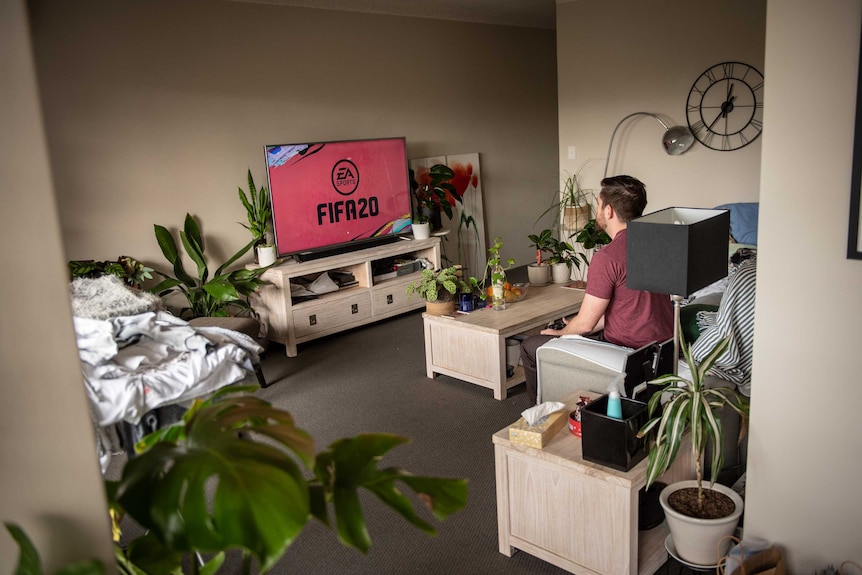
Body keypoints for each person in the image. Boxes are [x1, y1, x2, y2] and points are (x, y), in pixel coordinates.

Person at [520, 175, 674, 405]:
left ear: (609, 211)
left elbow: (585, 325)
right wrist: (574, 323)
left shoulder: (608, 257)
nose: (598, 211)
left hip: (630, 352)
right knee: (571, 325)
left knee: (532, 345)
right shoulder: (658, 244)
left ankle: (541, 415)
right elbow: (632, 305)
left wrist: (560, 334)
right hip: (663, 346)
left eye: (599, 205)